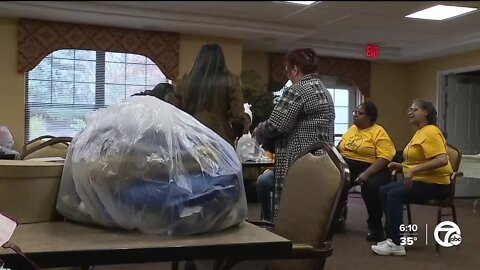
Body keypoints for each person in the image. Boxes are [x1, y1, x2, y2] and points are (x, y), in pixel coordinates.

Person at [253, 48, 335, 220]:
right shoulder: (325, 92)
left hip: (298, 162)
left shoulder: (297, 90)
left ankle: (272, 226)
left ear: (295, 69)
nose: (287, 73)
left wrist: (259, 130)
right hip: (323, 162)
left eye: (287, 69)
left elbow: (276, 125)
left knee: (290, 211)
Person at [371, 99, 453, 256]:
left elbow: (442, 160)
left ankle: (396, 244)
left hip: (437, 185)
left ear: (426, 112)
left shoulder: (431, 131)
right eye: (409, 109)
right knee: (384, 190)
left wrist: (412, 172)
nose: (410, 112)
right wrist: (401, 167)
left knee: (394, 193)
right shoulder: (420, 132)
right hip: (423, 181)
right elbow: (420, 161)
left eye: (414, 110)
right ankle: (392, 237)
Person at [338, 101, 396, 241]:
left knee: (371, 187)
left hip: (374, 167)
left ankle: (375, 227)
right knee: (332, 183)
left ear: (370, 117)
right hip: (348, 165)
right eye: (355, 113)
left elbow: (385, 157)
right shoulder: (352, 129)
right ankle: (336, 218)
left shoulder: (378, 131)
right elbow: (340, 148)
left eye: (360, 113)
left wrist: (366, 174)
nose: (356, 115)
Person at [173, 43, 246, 146]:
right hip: (221, 138)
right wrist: (236, 133)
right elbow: (238, 116)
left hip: (191, 137)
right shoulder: (231, 81)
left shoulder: (183, 82)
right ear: (221, 61)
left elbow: (176, 114)